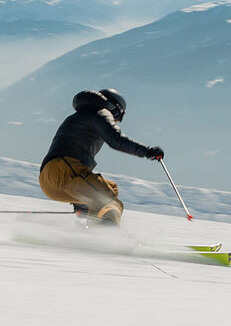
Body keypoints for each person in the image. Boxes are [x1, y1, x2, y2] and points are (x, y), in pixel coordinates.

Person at [39, 88, 164, 225]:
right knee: (108, 199)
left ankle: (92, 234)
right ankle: (108, 236)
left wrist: (83, 201)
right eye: (118, 117)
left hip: (49, 180)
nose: (117, 121)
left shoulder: (79, 116)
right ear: (114, 108)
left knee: (111, 188)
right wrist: (148, 151)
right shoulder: (100, 112)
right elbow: (116, 140)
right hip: (64, 170)